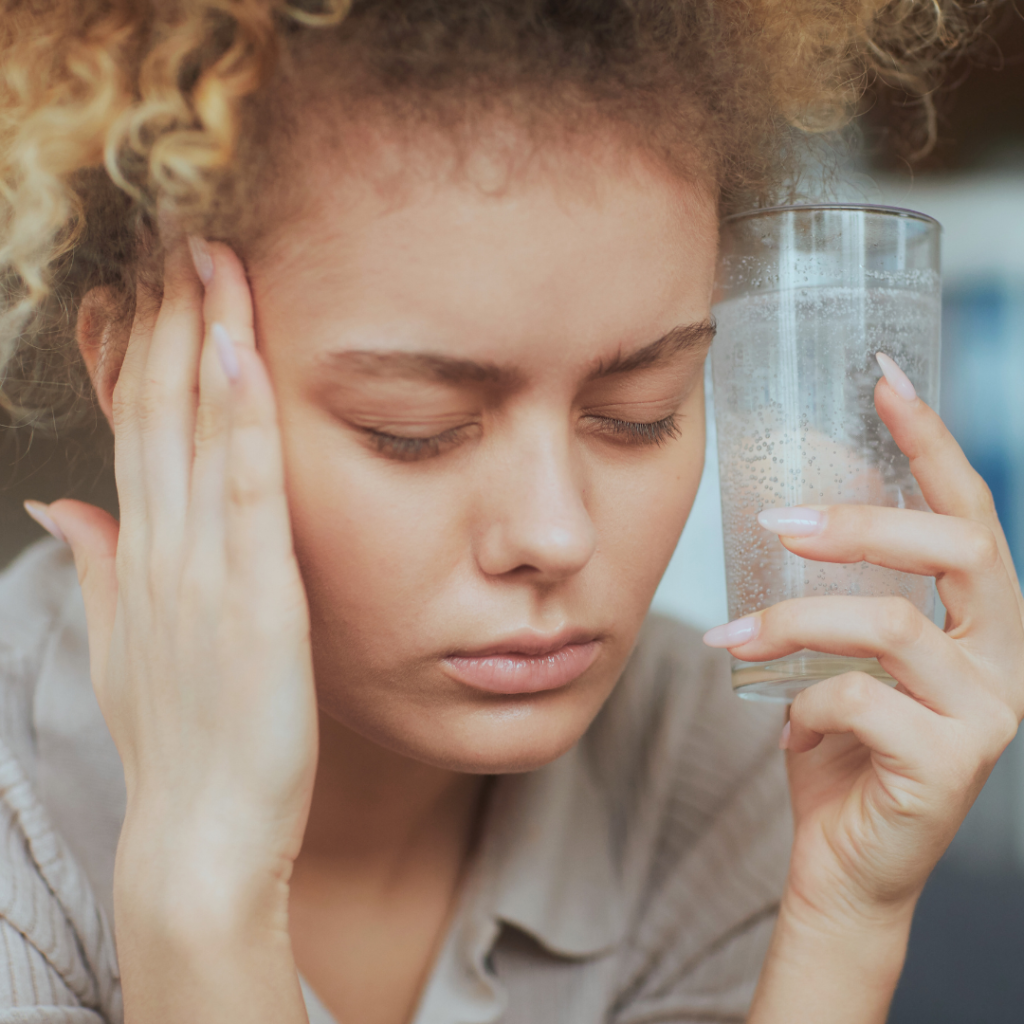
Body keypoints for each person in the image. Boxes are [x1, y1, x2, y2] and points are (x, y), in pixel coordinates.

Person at [1, 2, 1021, 1022]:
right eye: (416, 428)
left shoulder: (711, 770)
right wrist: (201, 892)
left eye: (638, 413)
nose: (555, 533)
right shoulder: (21, 811)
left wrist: (844, 920)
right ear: (141, 373)